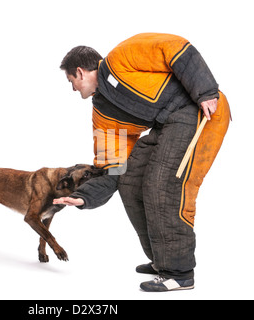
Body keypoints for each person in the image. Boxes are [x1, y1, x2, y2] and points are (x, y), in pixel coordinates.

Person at [54, 33, 230, 292]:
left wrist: (205, 92)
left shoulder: (121, 57)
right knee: (130, 180)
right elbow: (113, 165)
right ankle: (162, 261)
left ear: (80, 72)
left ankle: (179, 273)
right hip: (167, 125)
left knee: (163, 184)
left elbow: (176, 48)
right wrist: (84, 197)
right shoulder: (101, 112)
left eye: (71, 82)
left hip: (198, 111)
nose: (73, 89)